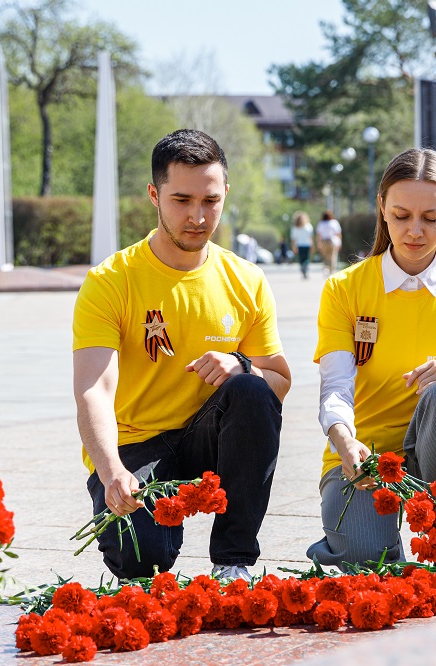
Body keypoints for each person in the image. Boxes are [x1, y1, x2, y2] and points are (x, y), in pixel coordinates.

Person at [72, 129, 292, 583]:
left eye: (210, 200)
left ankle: (233, 560)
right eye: (181, 200)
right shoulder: (112, 280)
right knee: (139, 559)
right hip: (136, 444)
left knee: (251, 389)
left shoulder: (245, 279)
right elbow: (94, 389)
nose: (197, 216)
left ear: (225, 193)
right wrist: (111, 469)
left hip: (207, 438)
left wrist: (242, 365)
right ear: (154, 194)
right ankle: (147, 532)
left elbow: (279, 380)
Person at [307, 148, 436, 570]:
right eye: (402, 215)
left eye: (431, 217)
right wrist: (345, 442)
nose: (416, 231)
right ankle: (348, 538)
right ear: (382, 208)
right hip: (365, 454)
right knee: (370, 564)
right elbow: (335, 389)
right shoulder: (344, 289)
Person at [316, 210, 343, 275]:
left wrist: (319, 243)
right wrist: (340, 242)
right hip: (333, 241)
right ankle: (331, 269)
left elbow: (319, 234)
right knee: (332, 255)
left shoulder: (321, 223)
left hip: (324, 241)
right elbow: (338, 233)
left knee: (325, 256)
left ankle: (326, 268)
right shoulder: (334, 222)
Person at [290, 211, 315, 279]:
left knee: (304, 259)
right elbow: (294, 239)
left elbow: (310, 238)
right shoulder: (297, 228)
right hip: (303, 245)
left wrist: (312, 245)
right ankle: (304, 269)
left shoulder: (307, 227)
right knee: (303, 259)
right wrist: (293, 246)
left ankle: (304, 269)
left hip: (304, 245)